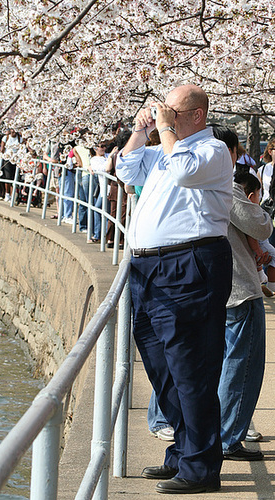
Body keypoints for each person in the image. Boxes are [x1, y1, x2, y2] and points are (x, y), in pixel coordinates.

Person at [116, 84, 233, 495]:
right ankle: (182, 452)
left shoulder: (211, 152)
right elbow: (126, 169)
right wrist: (141, 130)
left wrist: (164, 132)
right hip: (148, 268)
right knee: (160, 366)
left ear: (197, 116)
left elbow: (184, 171)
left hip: (190, 265)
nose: (166, 117)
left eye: (173, 112)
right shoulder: (164, 151)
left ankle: (201, 468)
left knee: (190, 367)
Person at [212, 125, 272, 461]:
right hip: (238, 289)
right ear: (231, 152)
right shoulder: (228, 189)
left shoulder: (196, 185)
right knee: (241, 366)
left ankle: (224, 433)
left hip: (214, 289)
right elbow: (261, 225)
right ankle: (228, 437)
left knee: (223, 365)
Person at [258, 138, 275, 247]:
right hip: (268, 212)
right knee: (269, 247)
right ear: (270, 151)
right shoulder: (263, 170)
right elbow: (258, 194)